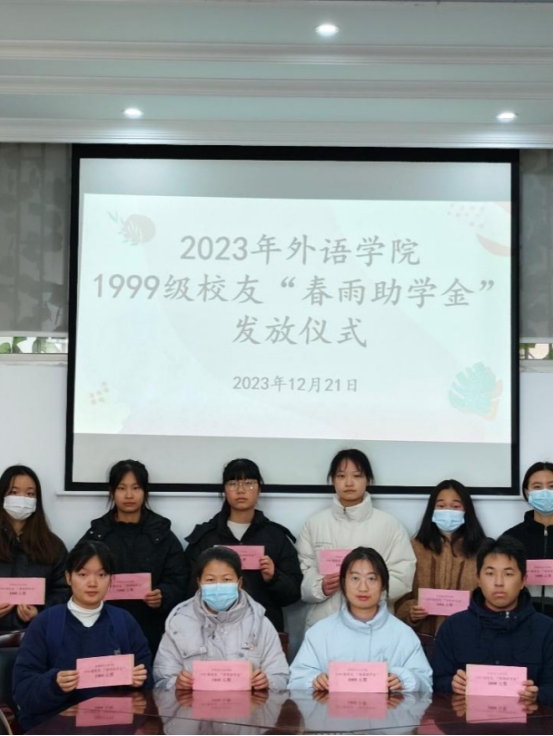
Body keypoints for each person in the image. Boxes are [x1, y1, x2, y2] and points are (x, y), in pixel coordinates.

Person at [12, 540, 153, 731]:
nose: (92, 583)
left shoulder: (124, 622)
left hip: (112, 726)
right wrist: (54, 683)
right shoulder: (45, 623)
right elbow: (23, 691)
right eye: (83, 574)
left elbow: (148, 683)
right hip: (57, 727)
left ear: (111, 579)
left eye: (101, 575)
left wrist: (138, 681)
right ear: (68, 577)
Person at [296, 449, 415, 628]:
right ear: (333, 480)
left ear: (368, 480)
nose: (349, 483)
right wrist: (319, 587)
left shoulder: (390, 526)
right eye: (341, 476)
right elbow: (302, 571)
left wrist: (369, 591)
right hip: (323, 625)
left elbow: (402, 575)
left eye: (357, 476)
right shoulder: (315, 524)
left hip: (373, 624)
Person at [79, 459, 186, 654]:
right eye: (122, 488)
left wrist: (162, 595)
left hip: (151, 628)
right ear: (112, 492)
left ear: (145, 491)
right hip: (102, 626)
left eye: (136, 488)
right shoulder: (97, 534)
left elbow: (179, 577)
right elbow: (77, 576)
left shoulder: (161, 534)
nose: (129, 495)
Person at [288, 547, 432, 691]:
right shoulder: (319, 632)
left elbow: (425, 683)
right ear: (343, 583)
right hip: (330, 706)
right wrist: (314, 681)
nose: (363, 588)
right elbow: (296, 680)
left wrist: (403, 679)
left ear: (383, 585)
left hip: (389, 706)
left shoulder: (404, 634)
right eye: (355, 578)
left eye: (371, 578)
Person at [432, 535, 553, 706]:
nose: (498, 582)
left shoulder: (546, 629)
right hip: (466, 722)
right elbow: (434, 680)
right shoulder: (453, 627)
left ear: (523, 581)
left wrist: (538, 695)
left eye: (508, 574)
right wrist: (451, 684)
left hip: (528, 722)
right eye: (490, 573)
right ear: (478, 579)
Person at [183, 458, 302, 632]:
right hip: (212, 630)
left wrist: (274, 577)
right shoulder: (205, 538)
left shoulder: (275, 536)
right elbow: (187, 592)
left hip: (263, 631)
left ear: (259, 490)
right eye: (233, 483)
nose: (241, 490)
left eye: (249, 483)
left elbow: (294, 594)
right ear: (224, 490)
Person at [154, 546, 289, 691]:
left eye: (226, 579)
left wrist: (267, 682)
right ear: (199, 583)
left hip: (249, 705)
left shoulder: (260, 623)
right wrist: (176, 684)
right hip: (192, 705)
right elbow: (161, 679)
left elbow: (280, 676)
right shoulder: (179, 623)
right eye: (210, 580)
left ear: (239, 583)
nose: (218, 586)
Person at [395, 479, 487, 635]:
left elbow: (491, 597)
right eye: (441, 506)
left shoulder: (483, 549)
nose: (448, 511)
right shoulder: (414, 547)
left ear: (467, 510)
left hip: (468, 637)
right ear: (432, 510)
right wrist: (411, 612)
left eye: (456, 506)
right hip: (424, 639)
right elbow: (399, 595)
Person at [0, 465, 68, 632]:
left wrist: (40, 612)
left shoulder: (53, 546)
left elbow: (65, 590)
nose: (22, 499)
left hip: (37, 636)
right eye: (14, 492)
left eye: (30, 494)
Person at [502, 461, 553, 616]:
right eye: (537, 487)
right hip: (522, 622)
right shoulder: (511, 538)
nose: (545, 492)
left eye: (551, 486)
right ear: (526, 492)